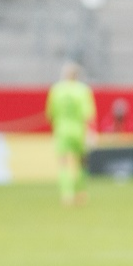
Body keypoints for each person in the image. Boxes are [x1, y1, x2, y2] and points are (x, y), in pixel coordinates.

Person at [46, 62, 96, 206]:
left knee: (63, 162)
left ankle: (66, 194)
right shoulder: (83, 90)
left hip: (62, 130)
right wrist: (91, 132)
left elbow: (50, 114)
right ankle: (81, 192)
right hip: (79, 130)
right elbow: (88, 114)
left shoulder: (56, 90)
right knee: (82, 162)